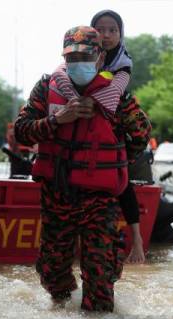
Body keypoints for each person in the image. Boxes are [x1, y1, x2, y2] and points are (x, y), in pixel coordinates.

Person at [14, 26, 151, 312]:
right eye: (72, 58)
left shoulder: (115, 95)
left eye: (86, 56)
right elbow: (22, 132)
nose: (79, 63)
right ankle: (63, 312)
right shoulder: (46, 88)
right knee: (53, 275)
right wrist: (56, 121)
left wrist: (113, 160)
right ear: (64, 58)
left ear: (100, 57)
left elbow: (141, 134)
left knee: (100, 279)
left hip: (99, 201)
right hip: (56, 195)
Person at [51, 10, 145, 264]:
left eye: (113, 30)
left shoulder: (123, 65)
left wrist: (120, 154)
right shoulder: (66, 68)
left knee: (123, 181)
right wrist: (70, 108)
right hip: (71, 147)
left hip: (107, 139)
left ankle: (137, 241)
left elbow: (117, 99)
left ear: (120, 34)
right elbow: (59, 79)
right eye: (100, 29)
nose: (106, 35)